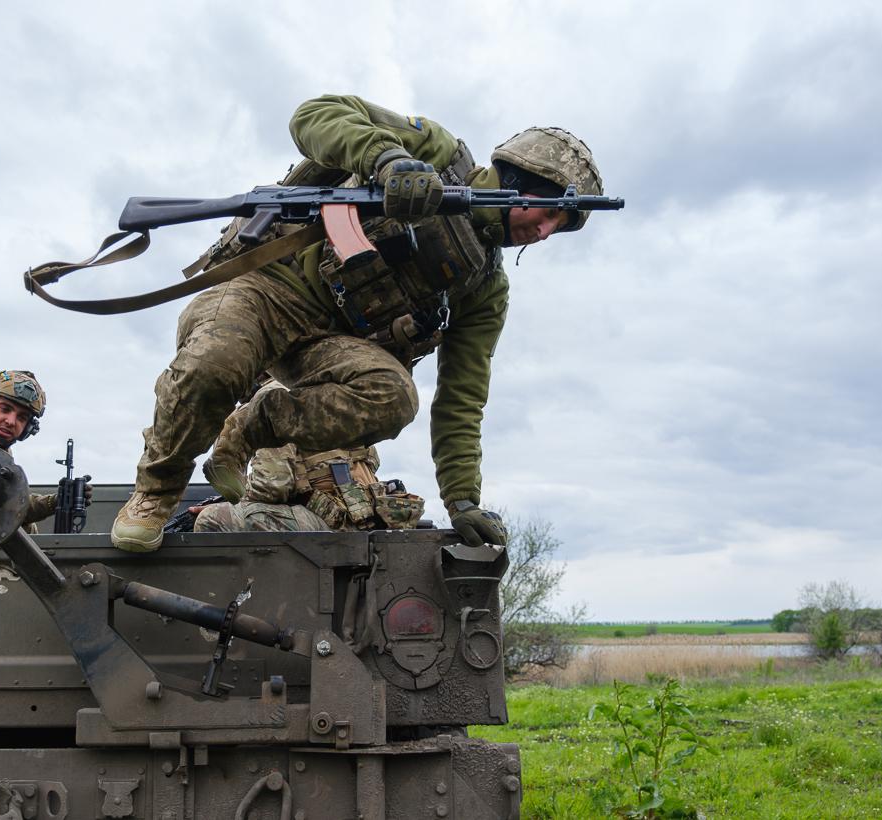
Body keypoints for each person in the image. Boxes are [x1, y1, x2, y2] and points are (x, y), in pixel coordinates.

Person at [111, 94, 605, 552]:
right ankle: (156, 491)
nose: (544, 233)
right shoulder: (438, 153)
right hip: (267, 289)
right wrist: (388, 160)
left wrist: (462, 500)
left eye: (558, 228)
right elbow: (315, 115)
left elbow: (462, 398)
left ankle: (250, 426)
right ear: (520, 178)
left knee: (394, 395)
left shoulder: (484, 287)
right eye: (550, 213)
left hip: (329, 344)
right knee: (214, 366)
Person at [191, 382, 424, 534]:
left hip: (331, 522)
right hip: (370, 516)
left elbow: (272, 486)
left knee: (211, 520)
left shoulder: (272, 398)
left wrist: (232, 503)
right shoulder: (333, 387)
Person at [0, 370, 85, 528]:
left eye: (22, 418)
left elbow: (11, 502)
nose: (11, 421)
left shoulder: (1, 453)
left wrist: (59, 500)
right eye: (5, 409)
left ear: (28, 428)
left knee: (27, 528)